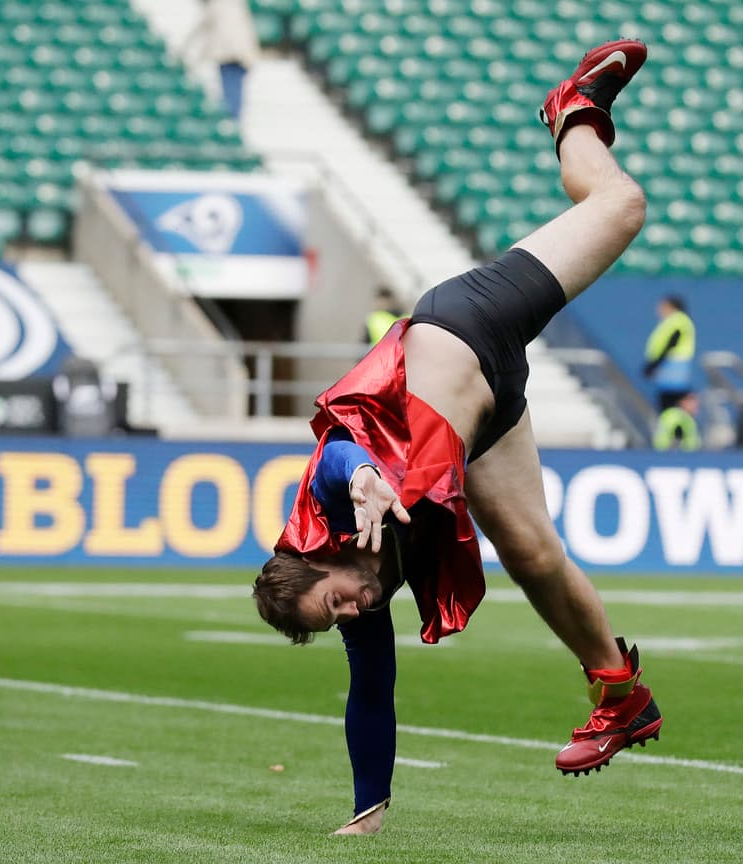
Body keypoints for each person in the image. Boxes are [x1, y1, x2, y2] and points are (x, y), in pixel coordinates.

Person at [252, 40, 661, 835]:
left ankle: (571, 111)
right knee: (537, 556)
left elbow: (338, 460)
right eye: (339, 616)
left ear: (319, 555)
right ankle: (619, 692)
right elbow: (371, 693)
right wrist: (368, 812)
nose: (359, 607)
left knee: (621, 208)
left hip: (464, 327)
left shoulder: (330, 516)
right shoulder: (357, 601)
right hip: (486, 417)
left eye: (337, 599)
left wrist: (367, 477)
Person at [184, 0, 261, 119]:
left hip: (230, 53)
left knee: (231, 88)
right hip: (239, 54)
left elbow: (203, 28)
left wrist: (193, 56)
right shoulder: (237, 5)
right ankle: (233, 118)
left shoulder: (218, 5)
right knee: (234, 87)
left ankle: (231, 118)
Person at [642, 295, 695, 411]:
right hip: (669, 374)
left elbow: (671, 343)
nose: (659, 310)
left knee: (672, 407)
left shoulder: (678, 321)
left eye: (662, 306)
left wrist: (654, 364)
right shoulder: (672, 321)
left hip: (673, 372)